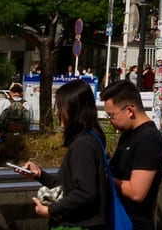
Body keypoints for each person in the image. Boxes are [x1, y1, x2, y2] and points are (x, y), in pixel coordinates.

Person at [25, 80, 112, 229]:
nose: (56, 112)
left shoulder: (83, 144)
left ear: (74, 109)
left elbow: (85, 192)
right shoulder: (90, 139)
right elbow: (66, 184)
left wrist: (50, 210)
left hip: (77, 224)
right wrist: (39, 174)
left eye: (60, 107)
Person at [104, 81, 162, 230]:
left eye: (111, 116)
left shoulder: (149, 139)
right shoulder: (128, 135)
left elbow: (137, 192)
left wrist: (105, 179)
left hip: (134, 224)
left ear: (129, 110)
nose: (110, 122)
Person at [0, 85, 32, 165]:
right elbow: (30, 121)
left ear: (10, 92)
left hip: (6, 134)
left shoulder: (3, 103)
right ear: (22, 92)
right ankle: (18, 163)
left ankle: (7, 163)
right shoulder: (27, 104)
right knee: (18, 151)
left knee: (7, 150)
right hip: (21, 134)